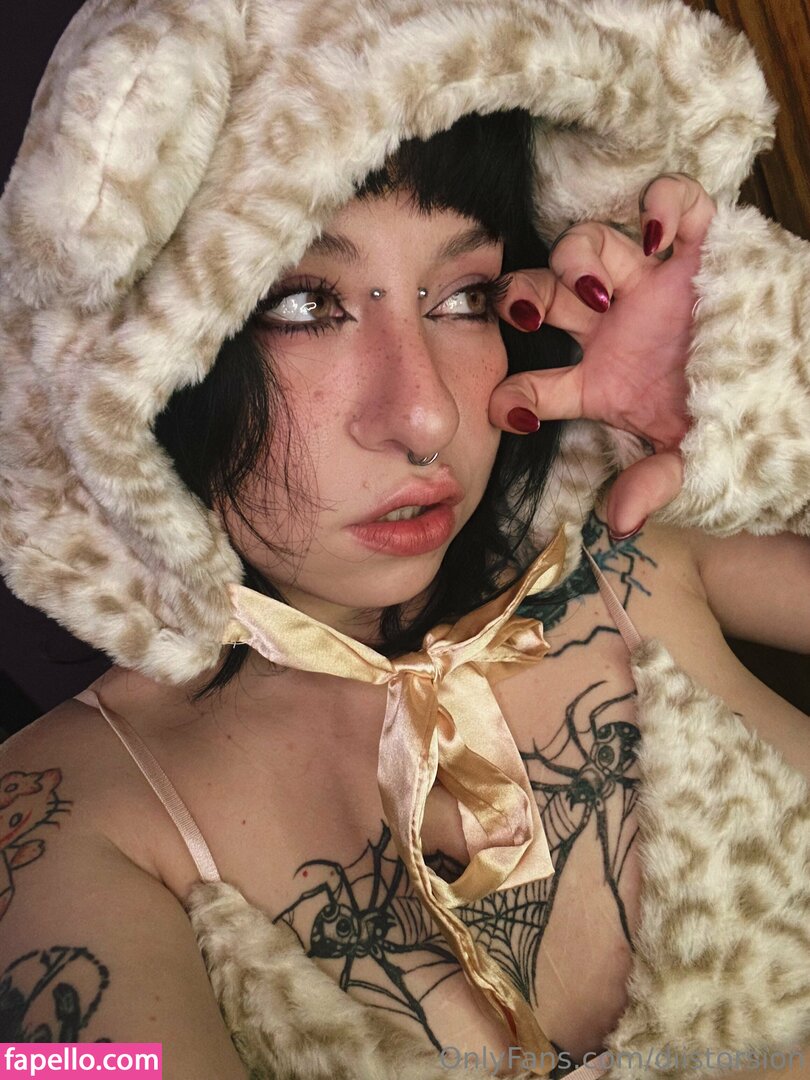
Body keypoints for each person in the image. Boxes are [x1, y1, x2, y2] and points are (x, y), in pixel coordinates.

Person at [0, 2, 808, 1078]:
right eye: (302, 304)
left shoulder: (630, 541)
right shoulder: (61, 819)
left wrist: (769, 398)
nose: (424, 415)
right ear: (130, 360)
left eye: (464, 295)